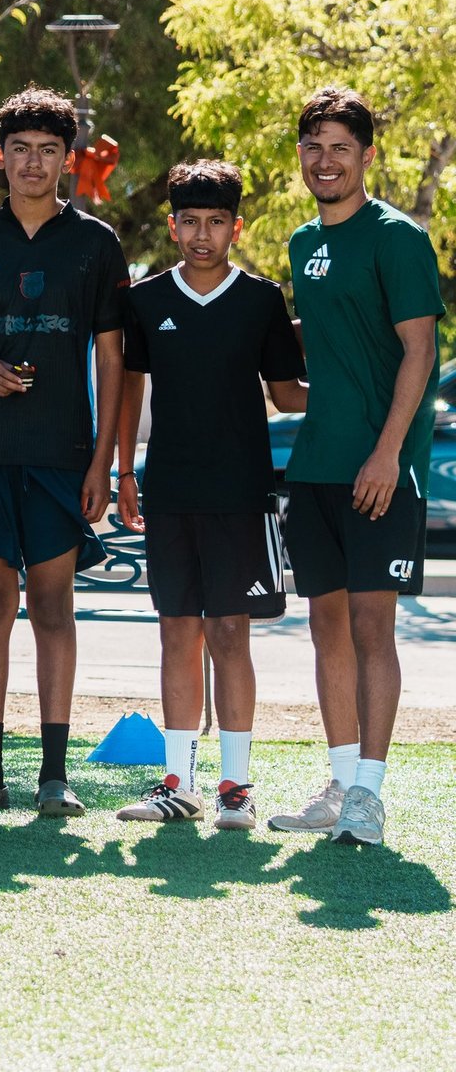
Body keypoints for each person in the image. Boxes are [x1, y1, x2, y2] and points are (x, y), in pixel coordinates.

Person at [0, 85, 128, 817]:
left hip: (62, 454)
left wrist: (104, 461)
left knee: (54, 606)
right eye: (20, 150)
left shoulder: (97, 243)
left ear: (68, 161)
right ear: (0, 156)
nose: (33, 162)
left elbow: (111, 358)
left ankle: (54, 774)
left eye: (49, 151)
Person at [267, 87, 442, 848]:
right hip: (314, 467)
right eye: (313, 146)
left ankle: (370, 792)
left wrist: (386, 450)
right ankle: (340, 783)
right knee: (325, 626)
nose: (325, 159)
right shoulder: (305, 244)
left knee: (374, 627)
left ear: (368, 155)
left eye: (341, 146)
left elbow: (419, 349)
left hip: (381, 470)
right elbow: (325, 340)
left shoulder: (398, 238)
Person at [112, 161, 307, 830]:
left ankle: (236, 788)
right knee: (176, 633)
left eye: (216, 221)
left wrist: (367, 391)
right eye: (190, 220)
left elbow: (287, 393)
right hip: (169, 490)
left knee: (230, 635)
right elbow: (128, 388)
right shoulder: (145, 299)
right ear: (172, 225)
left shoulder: (261, 299)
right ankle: (178, 784)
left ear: (235, 227)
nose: (202, 233)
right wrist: (124, 472)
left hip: (242, 493)